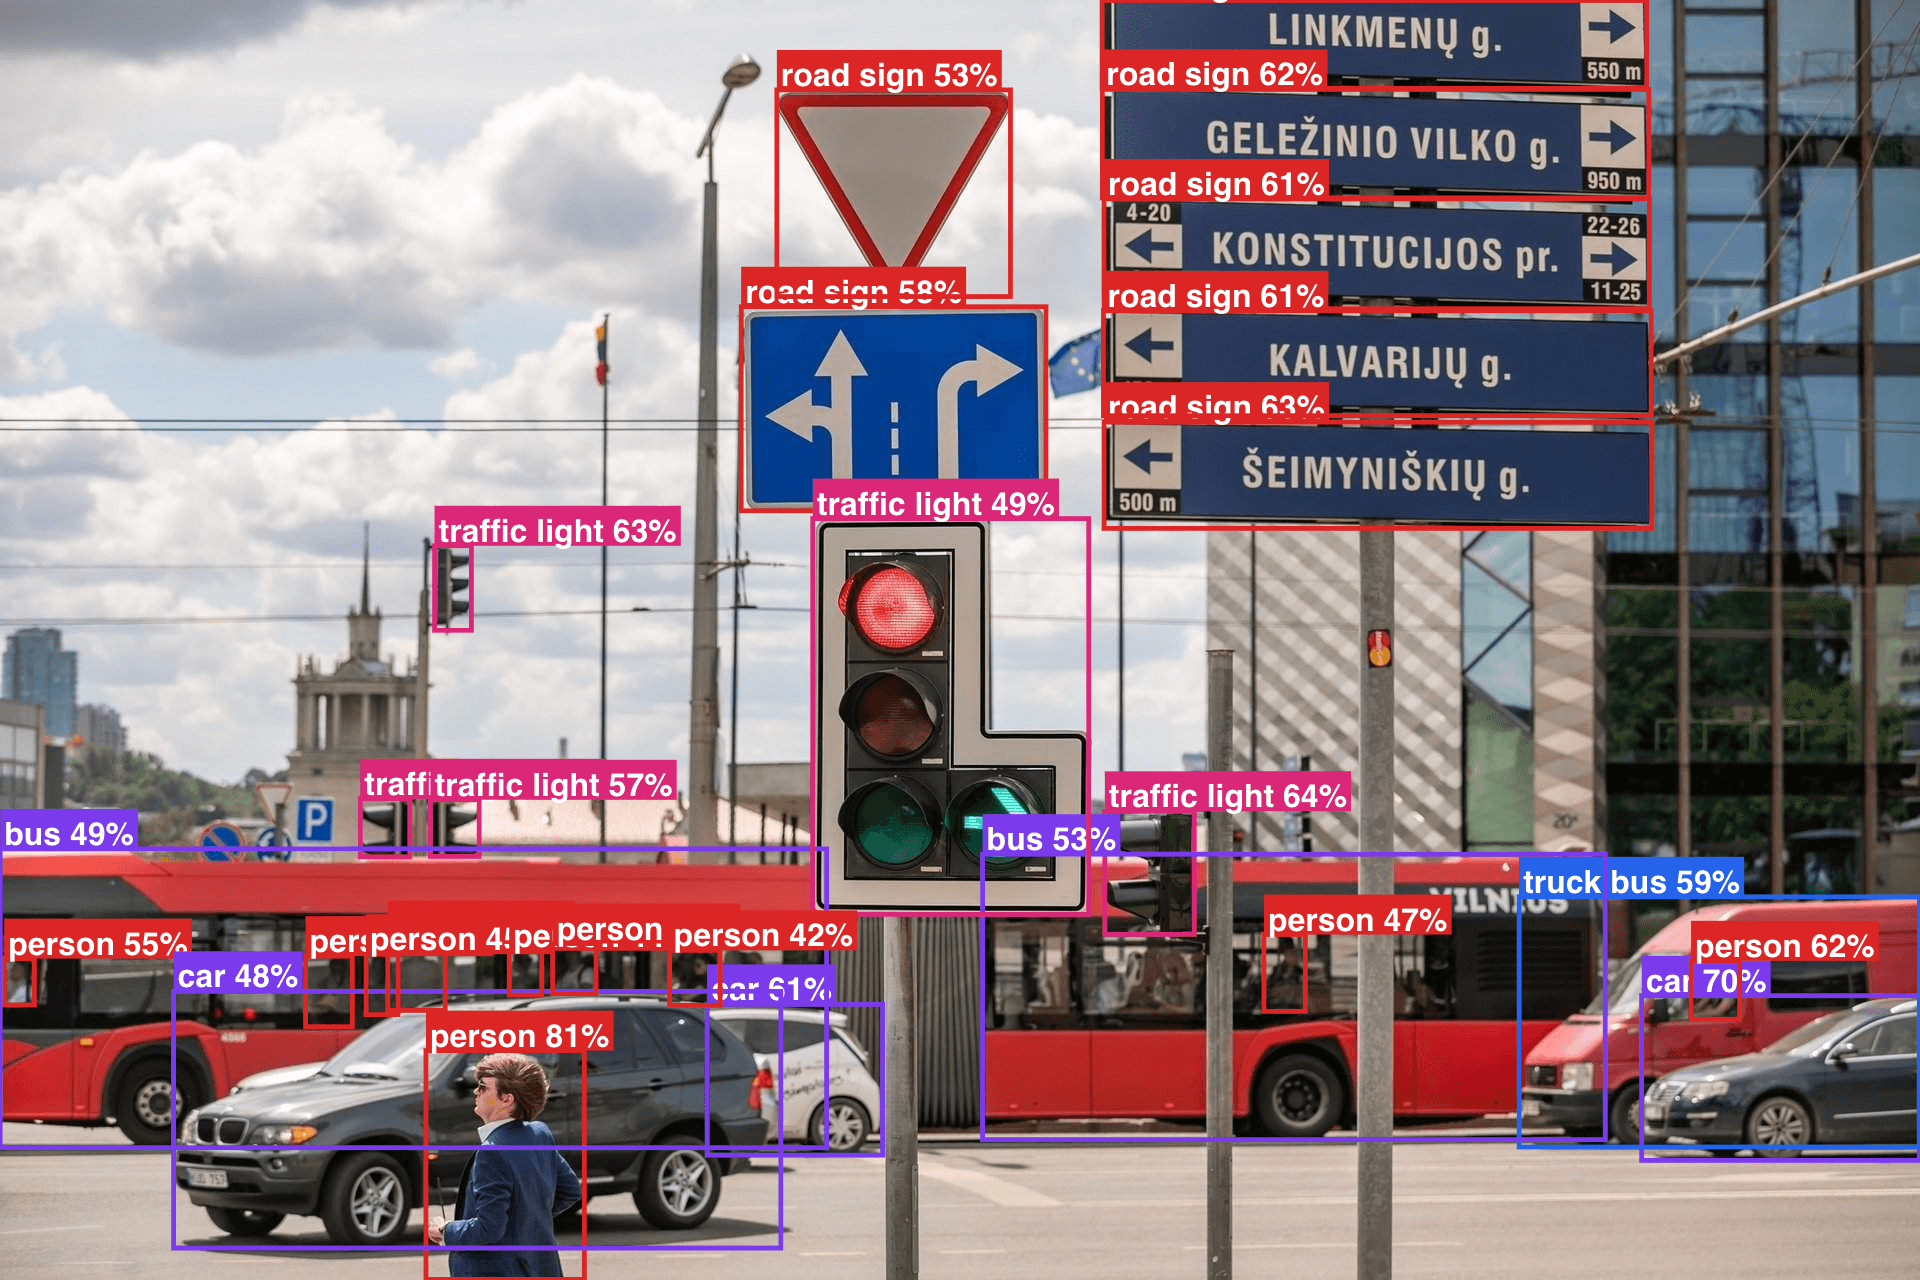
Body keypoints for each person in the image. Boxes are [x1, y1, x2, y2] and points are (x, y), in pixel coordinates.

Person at [428, 1053, 581, 1277]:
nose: (475, 1091)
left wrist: (446, 1231)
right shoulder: (539, 1134)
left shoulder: (491, 1152)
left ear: (507, 1099)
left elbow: (488, 1229)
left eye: (483, 1087)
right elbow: (571, 1190)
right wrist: (525, 1222)